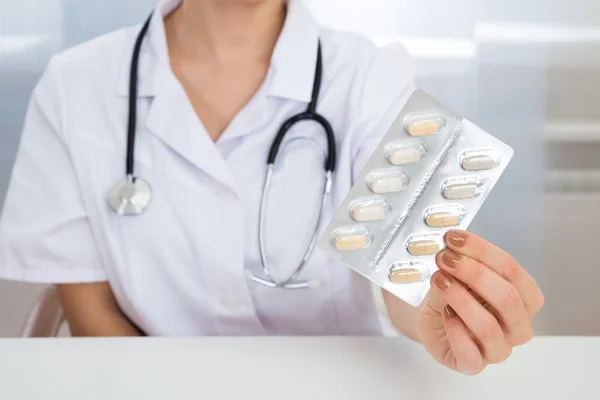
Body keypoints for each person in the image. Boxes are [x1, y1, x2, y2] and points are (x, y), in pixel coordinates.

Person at [0, 0, 543, 375]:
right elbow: (91, 312)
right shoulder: (76, 86)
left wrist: (440, 313)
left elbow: (404, 277)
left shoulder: (369, 75)